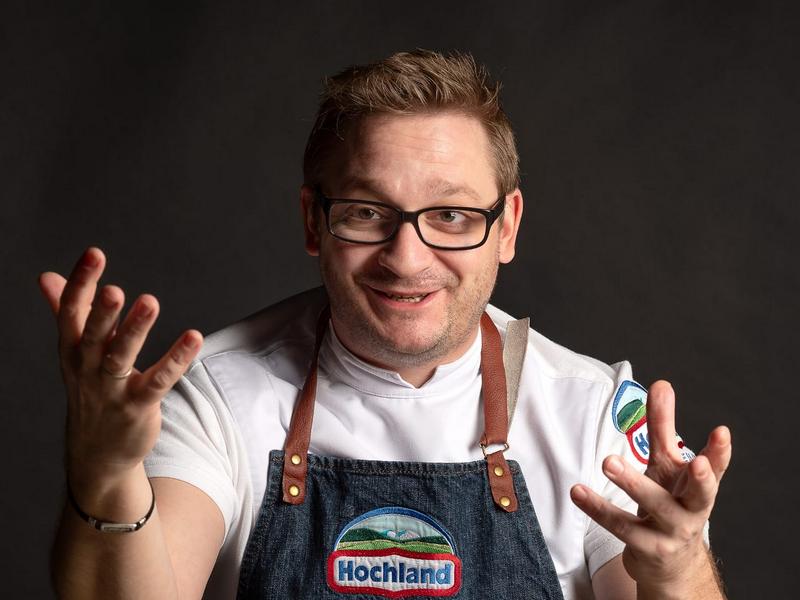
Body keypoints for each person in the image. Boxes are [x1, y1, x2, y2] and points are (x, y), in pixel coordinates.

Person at [42, 50, 731, 599]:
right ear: (314, 222)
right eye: (368, 213)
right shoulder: (215, 394)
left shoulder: (590, 413)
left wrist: (676, 570)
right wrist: (107, 473)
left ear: (507, 227)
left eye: (451, 216)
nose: (407, 258)